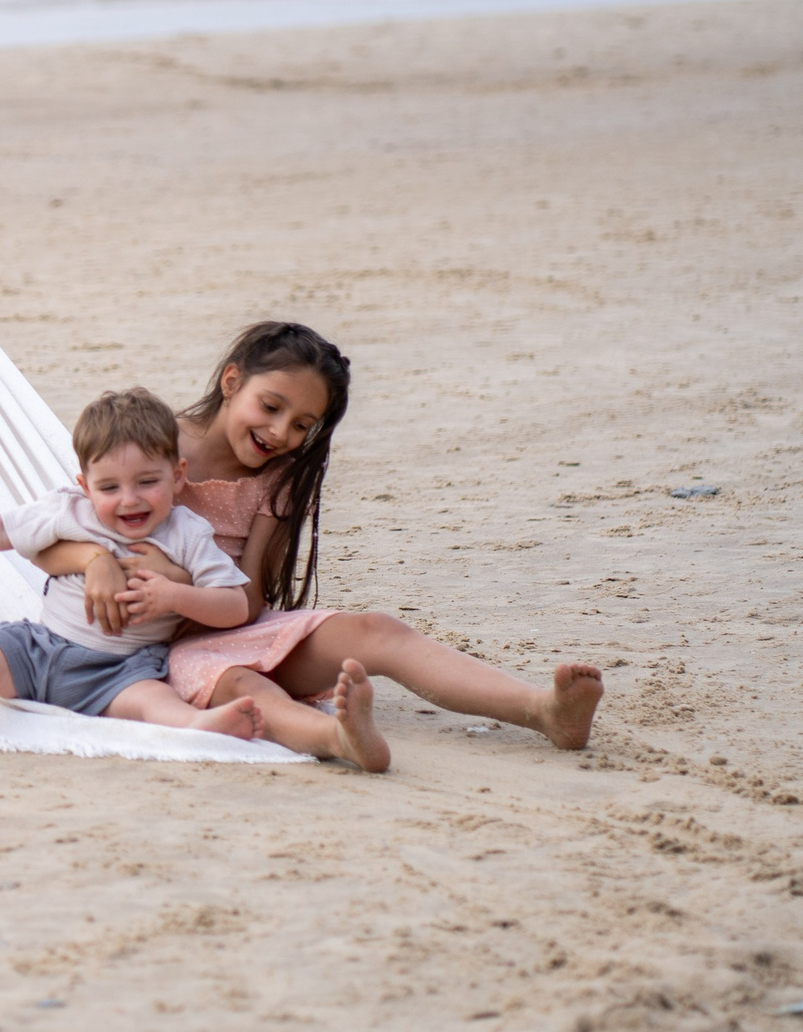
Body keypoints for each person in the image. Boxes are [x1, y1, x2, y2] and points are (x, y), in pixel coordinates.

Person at [34, 321, 605, 749]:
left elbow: (251, 599)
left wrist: (180, 584)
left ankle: (541, 711)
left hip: (220, 627)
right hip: (139, 658)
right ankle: (338, 738)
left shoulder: (276, 481)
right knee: (244, 688)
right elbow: (49, 538)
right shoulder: (155, 451)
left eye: (302, 425)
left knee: (378, 630)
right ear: (232, 382)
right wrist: (93, 561)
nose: (280, 432)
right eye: (271, 406)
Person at [0, 390, 395, 765]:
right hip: (41, 650)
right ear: (83, 483)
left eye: (148, 482)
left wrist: (176, 594)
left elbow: (232, 604)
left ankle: (205, 729)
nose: (129, 500)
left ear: (178, 477)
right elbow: (2, 528)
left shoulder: (187, 533)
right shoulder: (67, 511)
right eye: (109, 488)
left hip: (123, 672)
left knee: (157, 704)